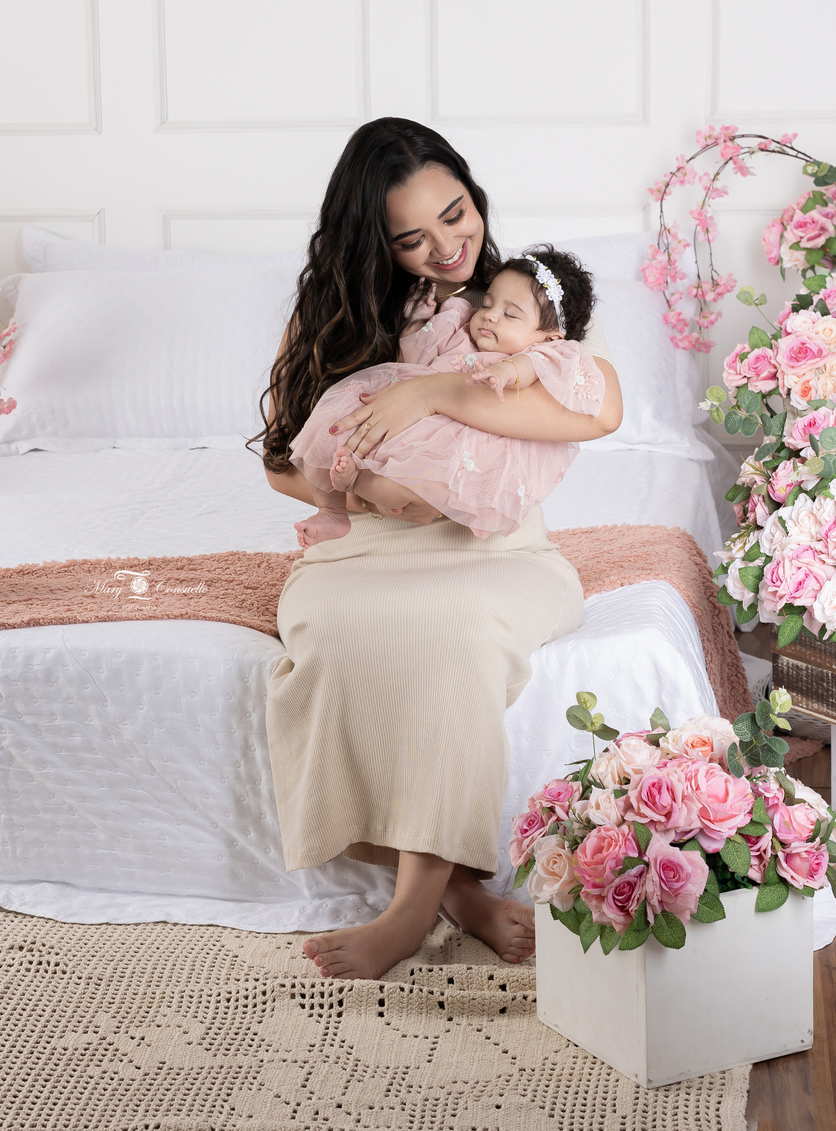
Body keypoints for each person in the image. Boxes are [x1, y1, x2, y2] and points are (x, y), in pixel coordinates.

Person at [257, 118, 623, 979]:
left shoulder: (530, 303)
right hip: (359, 547)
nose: (447, 247)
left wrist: (426, 392)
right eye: (412, 239)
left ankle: (408, 913)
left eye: (456, 216)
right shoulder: (329, 317)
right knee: (337, 646)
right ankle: (461, 894)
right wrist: (362, 491)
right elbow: (281, 461)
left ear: (474, 192)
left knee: (455, 636)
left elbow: (595, 412)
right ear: (372, 242)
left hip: (498, 554)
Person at [287, 246, 604, 546]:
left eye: (510, 315)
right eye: (490, 303)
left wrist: (503, 373)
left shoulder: (545, 352)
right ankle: (332, 511)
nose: (490, 315)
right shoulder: (461, 325)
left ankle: (357, 483)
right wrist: (416, 322)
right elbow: (414, 357)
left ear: (548, 336)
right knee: (336, 420)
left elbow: (526, 368)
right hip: (412, 413)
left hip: (466, 436)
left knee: (401, 485)